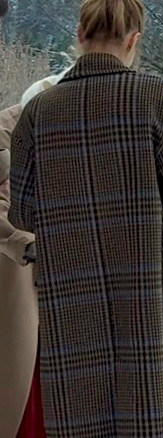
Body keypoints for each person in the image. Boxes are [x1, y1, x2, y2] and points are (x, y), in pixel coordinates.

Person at [7, 0, 163, 436]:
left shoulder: (38, 112)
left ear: (79, 35)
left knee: (86, 409)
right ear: (133, 39)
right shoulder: (159, 99)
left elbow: (23, 212)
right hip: (155, 282)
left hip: (72, 285)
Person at [0, 72, 64, 438]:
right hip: (21, 280)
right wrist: (27, 242)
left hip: (61, 289)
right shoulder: (6, 138)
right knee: (25, 391)